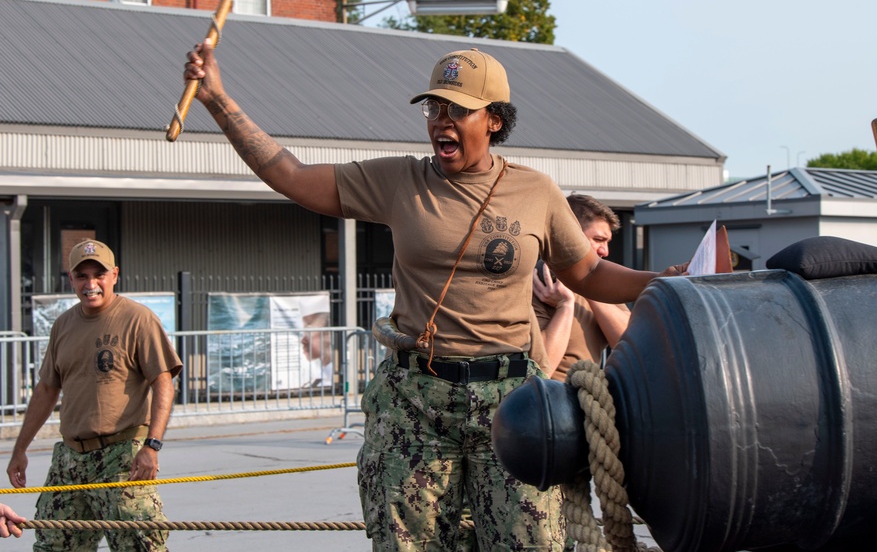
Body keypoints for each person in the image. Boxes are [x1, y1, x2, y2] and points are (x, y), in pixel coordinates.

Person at [182, 40, 685, 550]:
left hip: (512, 402)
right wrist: (218, 100)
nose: (441, 121)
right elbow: (289, 175)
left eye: (458, 110)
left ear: (493, 120)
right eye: (433, 108)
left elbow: (588, 272)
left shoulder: (536, 192)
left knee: (529, 543)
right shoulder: (399, 180)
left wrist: (659, 281)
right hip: (414, 401)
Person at [5, 239, 183, 551]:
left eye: (98, 275)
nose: (91, 285)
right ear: (71, 279)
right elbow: (47, 389)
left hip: (121, 455)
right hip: (70, 458)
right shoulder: (63, 325)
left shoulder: (137, 319)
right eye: (82, 276)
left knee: (139, 545)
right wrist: (20, 450)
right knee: (54, 545)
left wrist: (151, 446)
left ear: (114, 275)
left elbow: (164, 382)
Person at [533, 194, 634, 381]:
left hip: (591, 400)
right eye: (598, 239)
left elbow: (631, 347)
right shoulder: (538, 281)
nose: (605, 251)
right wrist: (565, 306)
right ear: (571, 235)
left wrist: (587, 287)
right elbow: (540, 371)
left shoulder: (603, 286)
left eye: (607, 242)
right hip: (548, 403)